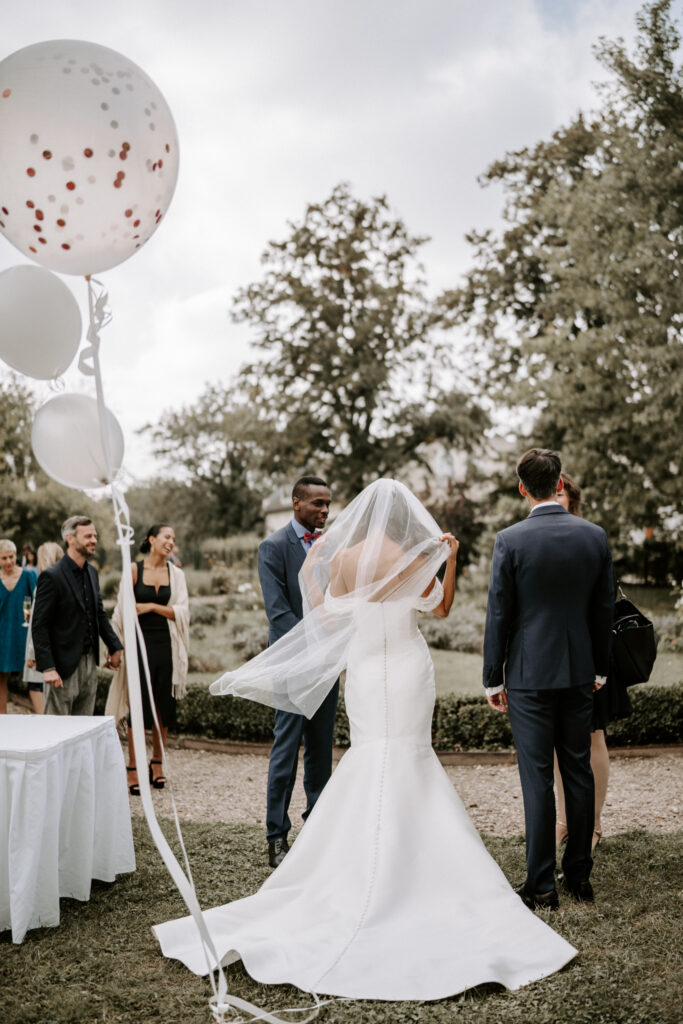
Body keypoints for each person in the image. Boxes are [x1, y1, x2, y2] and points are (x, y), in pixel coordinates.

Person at [154, 479, 576, 1001]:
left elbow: (325, 611)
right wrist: (451, 558)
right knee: (410, 758)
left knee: (368, 757)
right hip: (405, 668)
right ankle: (418, 871)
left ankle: (342, 871)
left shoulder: (343, 557)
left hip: (364, 669)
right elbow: (440, 611)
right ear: (402, 520)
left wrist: (331, 572)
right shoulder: (412, 556)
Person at [483, 449, 614, 910]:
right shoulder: (594, 536)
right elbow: (603, 610)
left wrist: (491, 677)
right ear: (560, 483)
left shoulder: (510, 540)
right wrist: (600, 667)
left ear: (523, 488)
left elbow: (499, 612)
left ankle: (541, 886)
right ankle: (579, 876)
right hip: (579, 673)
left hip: (528, 676)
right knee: (577, 771)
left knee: (537, 778)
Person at [258, 475, 339, 868]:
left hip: (326, 665)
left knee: (321, 754)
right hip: (293, 664)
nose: (324, 510)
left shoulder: (332, 547)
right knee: (286, 752)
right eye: (317, 504)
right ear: (296, 503)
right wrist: (311, 649)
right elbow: (279, 614)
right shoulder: (272, 548)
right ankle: (276, 835)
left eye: (328, 504)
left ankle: (318, 831)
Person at [553, 472, 631, 851]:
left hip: (591, 651)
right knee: (554, 742)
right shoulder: (534, 535)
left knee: (593, 735)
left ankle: (595, 823)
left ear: (570, 498)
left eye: (561, 492)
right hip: (552, 652)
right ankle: (565, 820)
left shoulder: (590, 536)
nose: (556, 496)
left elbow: (605, 598)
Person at [106, 523, 190, 793]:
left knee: (163, 708)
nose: (171, 542)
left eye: (173, 539)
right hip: (138, 646)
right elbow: (121, 611)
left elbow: (183, 611)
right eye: (167, 537)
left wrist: (153, 606)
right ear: (152, 539)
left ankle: (157, 764)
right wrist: (116, 646)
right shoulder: (134, 570)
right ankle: (133, 767)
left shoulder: (176, 575)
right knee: (138, 707)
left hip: (166, 645)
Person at [31, 515, 123, 716]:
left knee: (83, 731)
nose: (94, 540)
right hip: (62, 666)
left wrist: (114, 646)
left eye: (95, 535)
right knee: (57, 731)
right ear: (70, 539)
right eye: (88, 536)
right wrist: (48, 668)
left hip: (90, 663)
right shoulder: (52, 576)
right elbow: (39, 625)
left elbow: (99, 613)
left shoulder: (91, 572)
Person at [23, 541, 65, 714]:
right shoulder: (65, 581)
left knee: (35, 686)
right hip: (59, 646)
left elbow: (37, 624)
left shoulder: (44, 582)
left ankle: (44, 723)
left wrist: (31, 653)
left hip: (41, 646)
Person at [0, 539, 37, 714]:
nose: (8, 562)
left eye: (11, 557)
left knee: (35, 680)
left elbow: (39, 605)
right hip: (2, 636)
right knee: (0, 681)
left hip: (24, 635)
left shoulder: (29, 575)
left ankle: (44, 720)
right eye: (3, 558)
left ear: (17, 556)